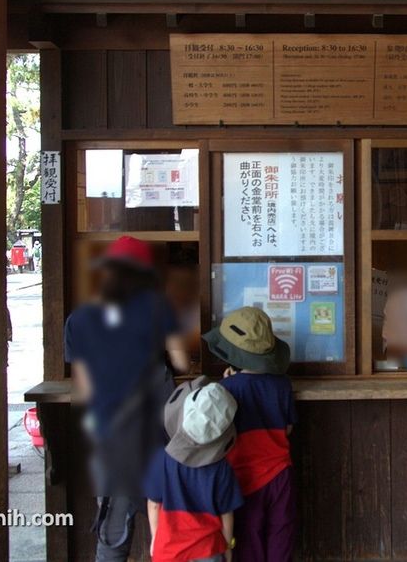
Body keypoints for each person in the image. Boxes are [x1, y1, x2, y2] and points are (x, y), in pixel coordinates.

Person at [64, 235, 182, 562]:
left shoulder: (80, 320)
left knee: (113, 532)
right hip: (161, 438)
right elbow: (183, 362)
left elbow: (85, 389)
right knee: (174, 523)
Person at [203, 307, 297, 562]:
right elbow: (287, 429)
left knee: (248, 542)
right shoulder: (283, 384)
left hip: (242, 479)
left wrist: (227, 383)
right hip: (280, 476)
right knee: (281, 537)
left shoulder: (225, 389)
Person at [145, 377, 242, 562]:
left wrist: (155, 538)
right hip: (209, 550)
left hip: (169, 551)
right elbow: (226, 514)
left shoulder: (162, 459)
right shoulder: (222, 467)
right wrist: (228, 547)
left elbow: (154, 504)